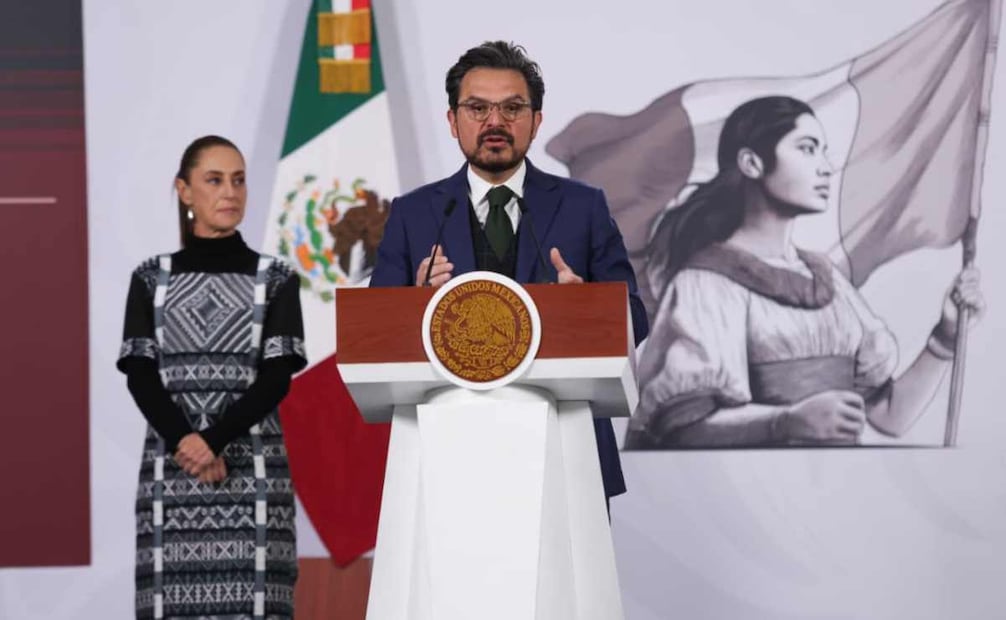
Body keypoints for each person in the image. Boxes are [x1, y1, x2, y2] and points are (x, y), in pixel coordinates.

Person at [370, 41, 648, 503]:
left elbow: (635, 317)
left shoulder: (584, 207)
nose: (495, 123)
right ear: (452, 120)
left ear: (536, 121)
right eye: (477, 108)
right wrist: (414, 304)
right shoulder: (415, 214)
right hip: (447, 451)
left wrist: (589, 308)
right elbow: (375, 334)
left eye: (513, 108)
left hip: (564, 448)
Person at [623, 96, 984, 449]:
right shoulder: (705, 283)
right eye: (808, 148)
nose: (826, 166)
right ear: (752, 163)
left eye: (823, 150)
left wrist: (946, 337)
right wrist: (786, 421)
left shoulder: (826, 280)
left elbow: (890, 416)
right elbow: (681, 428)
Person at [117, 135, 307, 618]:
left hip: (255, 482)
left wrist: (213, 441)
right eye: (215, 180)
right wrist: (188, 442)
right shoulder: (149, 279)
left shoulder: (277, 278)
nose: (231, 192)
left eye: (239, 180)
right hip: (172, 483)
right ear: (184, 191)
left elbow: (276, 378)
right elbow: (140, 374)